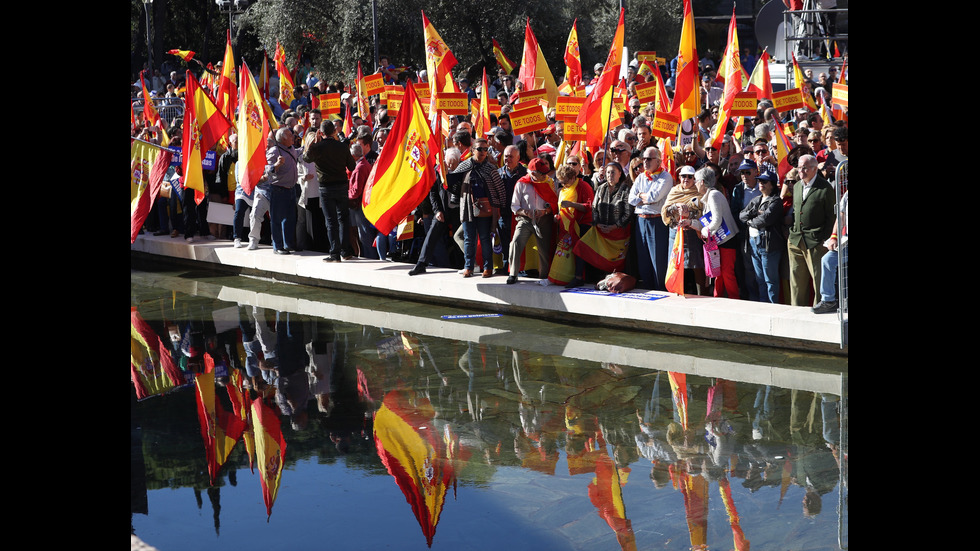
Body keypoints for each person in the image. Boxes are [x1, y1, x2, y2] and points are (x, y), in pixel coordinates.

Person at [303, 120, 357, 262]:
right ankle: (345, 252)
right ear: (334, 131)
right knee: (343, 219)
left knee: (331, 221)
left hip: (326, 188)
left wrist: (313, 144)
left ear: (321, 132)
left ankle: (334, 254)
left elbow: (306, 158)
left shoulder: (318, 147)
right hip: (341, 187)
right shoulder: (342, 146)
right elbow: (352, 166)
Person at [682, 166, 740, 298]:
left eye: (696, 180)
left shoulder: (714, 195)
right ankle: (717, 299)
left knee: (727, 274)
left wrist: (704, 230)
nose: (695, 183)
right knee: (717, 274)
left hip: (727, 240)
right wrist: (690, 223)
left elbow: (716, 221)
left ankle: (735, 301)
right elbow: (706, 223)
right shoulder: (709, 196)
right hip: (718, 241)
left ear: (702, 181)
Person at [453, 138, 507, 278]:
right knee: (468, 239)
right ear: (472, 150)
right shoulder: (463, 166)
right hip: (468, 208)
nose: (483, 152)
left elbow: (500, 190)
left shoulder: (491, 169)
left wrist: (501, 207)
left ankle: (488, 267)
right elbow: (453, 183)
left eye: (486, 149)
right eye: (480, 149)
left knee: (485, 238)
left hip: (486, 209)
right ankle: (468, 267)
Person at [787, 154, 836, 307]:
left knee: (818, 280)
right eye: (799, 167)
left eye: (805, 168)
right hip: (795, 240)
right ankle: (796, 313)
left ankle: (819, 312)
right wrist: (792, 233)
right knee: (796, 283)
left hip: (815, 242)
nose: (801, 171)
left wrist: (823, 239)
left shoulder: (825, 188)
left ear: (815, 169)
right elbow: (796, 211)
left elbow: (832, 216)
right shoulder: (796, 186)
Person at [572, 162, 633, 278]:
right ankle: (578, 277)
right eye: (608, 172)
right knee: (581, 246)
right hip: (600, 230)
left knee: (616, 261)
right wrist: (598, 224)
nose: (610, 175)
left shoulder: (625, 189)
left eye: (613, 172)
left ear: (620, 173)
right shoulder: (601, 188)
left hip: (618, 233)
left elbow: (628, 213)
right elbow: (594, 208)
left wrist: (615, 226)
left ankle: (612, 280)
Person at [507, 158, 559, 284]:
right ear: (532, 173)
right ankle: (513, 274)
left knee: (544, 249)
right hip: (525, 219)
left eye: (545, 172)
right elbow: (514, 206)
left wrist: (545, 211)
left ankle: (544, 277)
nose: (545, 175)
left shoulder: (551, 182)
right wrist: (525, 212)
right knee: (515, 242)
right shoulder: (521, 183)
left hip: (544, 219)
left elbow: (555, 203)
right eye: (542, 173)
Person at [628, 147, 673, 291]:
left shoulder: (665, 177)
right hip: (641, 220)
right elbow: (631, 199)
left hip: (657, 220)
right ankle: (647, 289)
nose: (645, 162)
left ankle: (660, 289)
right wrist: (644, 197)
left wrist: (640, 196)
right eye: (644, 159)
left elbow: (654, 197)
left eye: (649, 159)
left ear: (658, 161)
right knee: (643, 259)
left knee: (657, 259)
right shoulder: (641, 177)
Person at [739, 172, 785, 303]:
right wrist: (754, 213)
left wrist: (749, 221)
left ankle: (772, 305)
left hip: (768, 244)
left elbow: (765, 219)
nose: (761, 184)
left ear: (771, 185)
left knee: (770, 279)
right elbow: (741, 215)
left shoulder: (776, 201)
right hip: (754, 243)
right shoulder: (756, 200)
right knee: (759, 278)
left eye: (764, 182)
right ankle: (764, 303)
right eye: (760, 181)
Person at [662, 165, 707, 295]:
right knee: (676, 264)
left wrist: (689, 216)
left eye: (689, 177)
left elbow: (703, 213)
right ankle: (676, 292)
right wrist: (675, 207)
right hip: (675, 233)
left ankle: (702, 294)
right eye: (683, 176)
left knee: (697, 265)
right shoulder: (674, 191)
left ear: (694, 179)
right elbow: (665, 211)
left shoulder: (699, 192)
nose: (686, 179)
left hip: (693, 232)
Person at [549, 164, 595, 287]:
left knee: (579, 251)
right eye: (561, 183)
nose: (563, 185)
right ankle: (565, 277)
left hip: (583, 223)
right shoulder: (564, 190)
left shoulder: (584, 186)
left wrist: (572, 204)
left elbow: (590, 207)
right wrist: (557, 217)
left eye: (565, 182)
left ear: (572, 178)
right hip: (568, 226)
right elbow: (563, 210)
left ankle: (579, 277)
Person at [263, 127, 300, 254]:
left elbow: (299, 153)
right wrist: (277, 165)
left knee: (290, 218)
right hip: (279, 189)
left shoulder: (292, 149)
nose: (293, 137)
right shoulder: (274, 152)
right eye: (290, 136)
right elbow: (267, 170)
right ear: (283, 139)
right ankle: (277, 246)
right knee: (277, 219)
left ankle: (288, 244)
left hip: (291, 189)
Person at [812, 186, 847, 314]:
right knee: (827, 260)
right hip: (847, 242)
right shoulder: (847, 195)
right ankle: (828, 301)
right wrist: (834, 237)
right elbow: (841, 216)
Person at [497, 145, 527, 275]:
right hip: (503, 215)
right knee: (505, 243)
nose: (508, 159)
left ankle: (519, 268)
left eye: (511, 156)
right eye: (506, 156)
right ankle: (505, 266)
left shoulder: (525, 174)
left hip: (520, 215)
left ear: (518, 157)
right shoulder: (498, 173)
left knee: (518, 243)